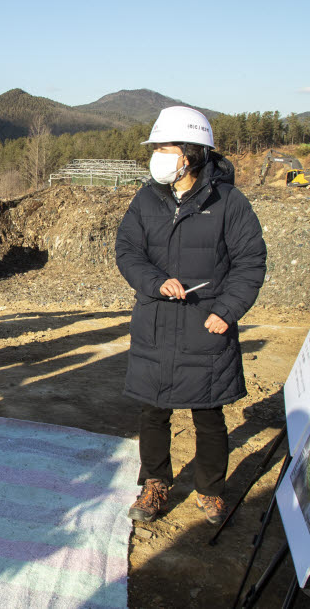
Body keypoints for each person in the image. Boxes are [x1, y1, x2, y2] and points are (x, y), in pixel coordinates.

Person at [115, 106, 266, 526]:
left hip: (206, 325)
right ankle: (155, 483)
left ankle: (211, 489)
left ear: (192, 154)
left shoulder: (229, 202)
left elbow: (250, 263)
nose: (158, 156)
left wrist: (227, 310)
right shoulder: (146, 199)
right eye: (156, 148)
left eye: (166, 147)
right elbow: (128, 250)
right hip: (156, 323)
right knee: (153, 411)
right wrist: (153, 281)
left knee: (208, 413)